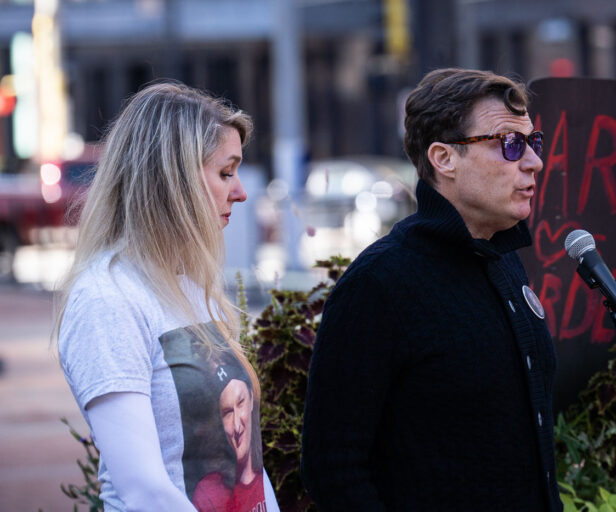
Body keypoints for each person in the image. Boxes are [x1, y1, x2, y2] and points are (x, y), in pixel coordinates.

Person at [301, 68, 563, 511]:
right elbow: (333, 467)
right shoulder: (379, 284)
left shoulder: (502, 260)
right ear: (444, 159)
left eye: (533, 142)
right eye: (510, 144)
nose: (534, 162)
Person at [56, 82, 279, 511]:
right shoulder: (108, 298)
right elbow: (143, 490)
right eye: (225, 173)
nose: (241, 192)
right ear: (175, 179)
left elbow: (249, 468)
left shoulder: (188, 283)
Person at [192, 355, 268, 512]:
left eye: (240, 403)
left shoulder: (266, 476)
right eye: (227, 412)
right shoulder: (208, 494)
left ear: (251, 399)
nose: (237, 426)